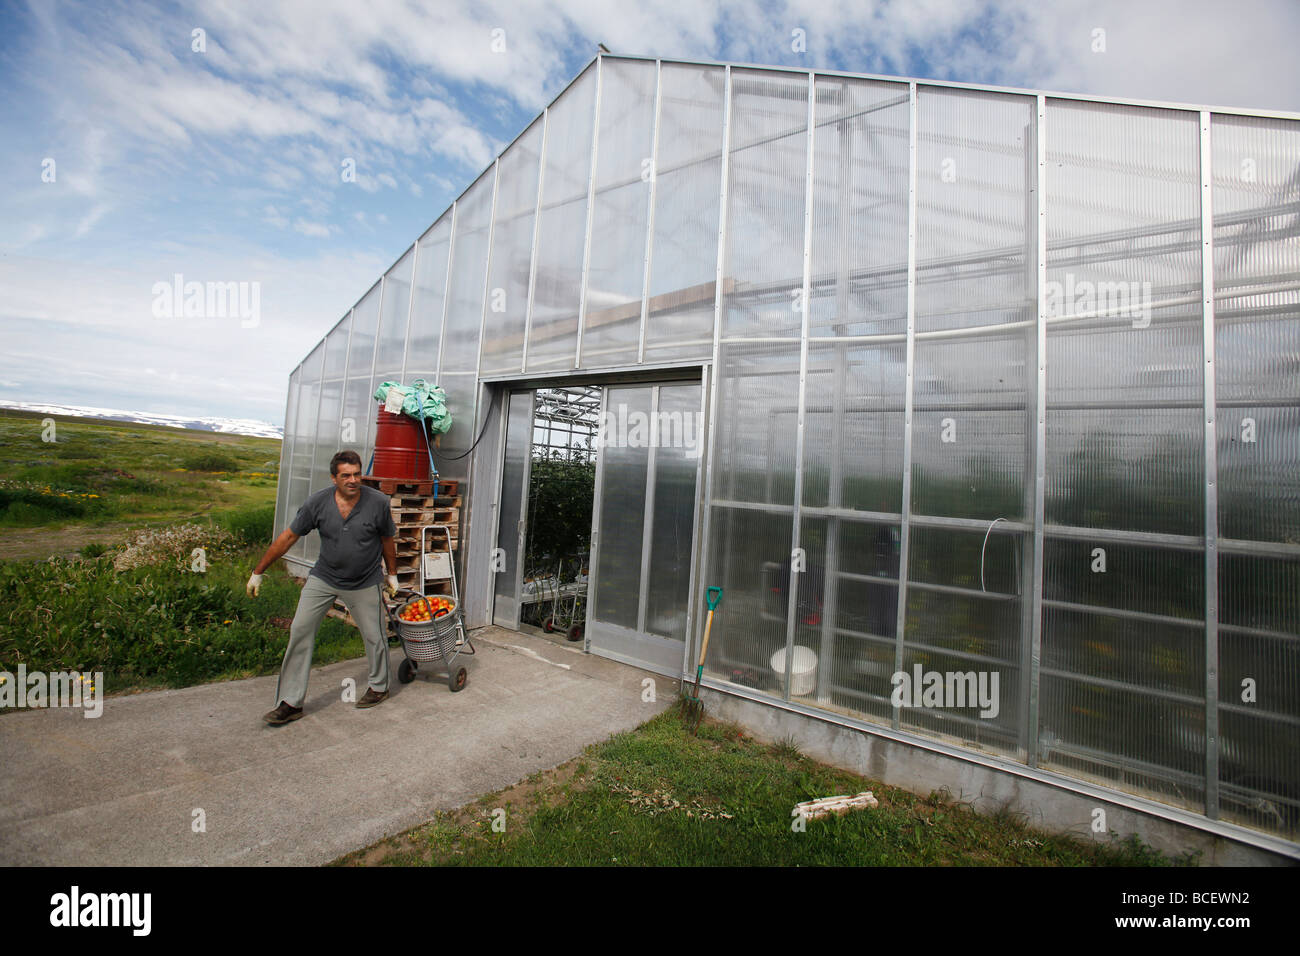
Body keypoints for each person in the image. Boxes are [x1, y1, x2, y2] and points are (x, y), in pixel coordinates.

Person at [247, 450, 399, 724]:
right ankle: (290, 702)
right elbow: (289, 536)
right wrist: (258, 571)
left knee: (375, 636)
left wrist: (393, 575)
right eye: (346, 476)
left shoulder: (377, 503)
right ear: (333, 478)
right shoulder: (317, 503)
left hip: (364, 580)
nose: (353, 480)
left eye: (357, 474)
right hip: (324, 578)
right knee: (300, 630)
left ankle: (379, 686)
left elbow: (387, 539)